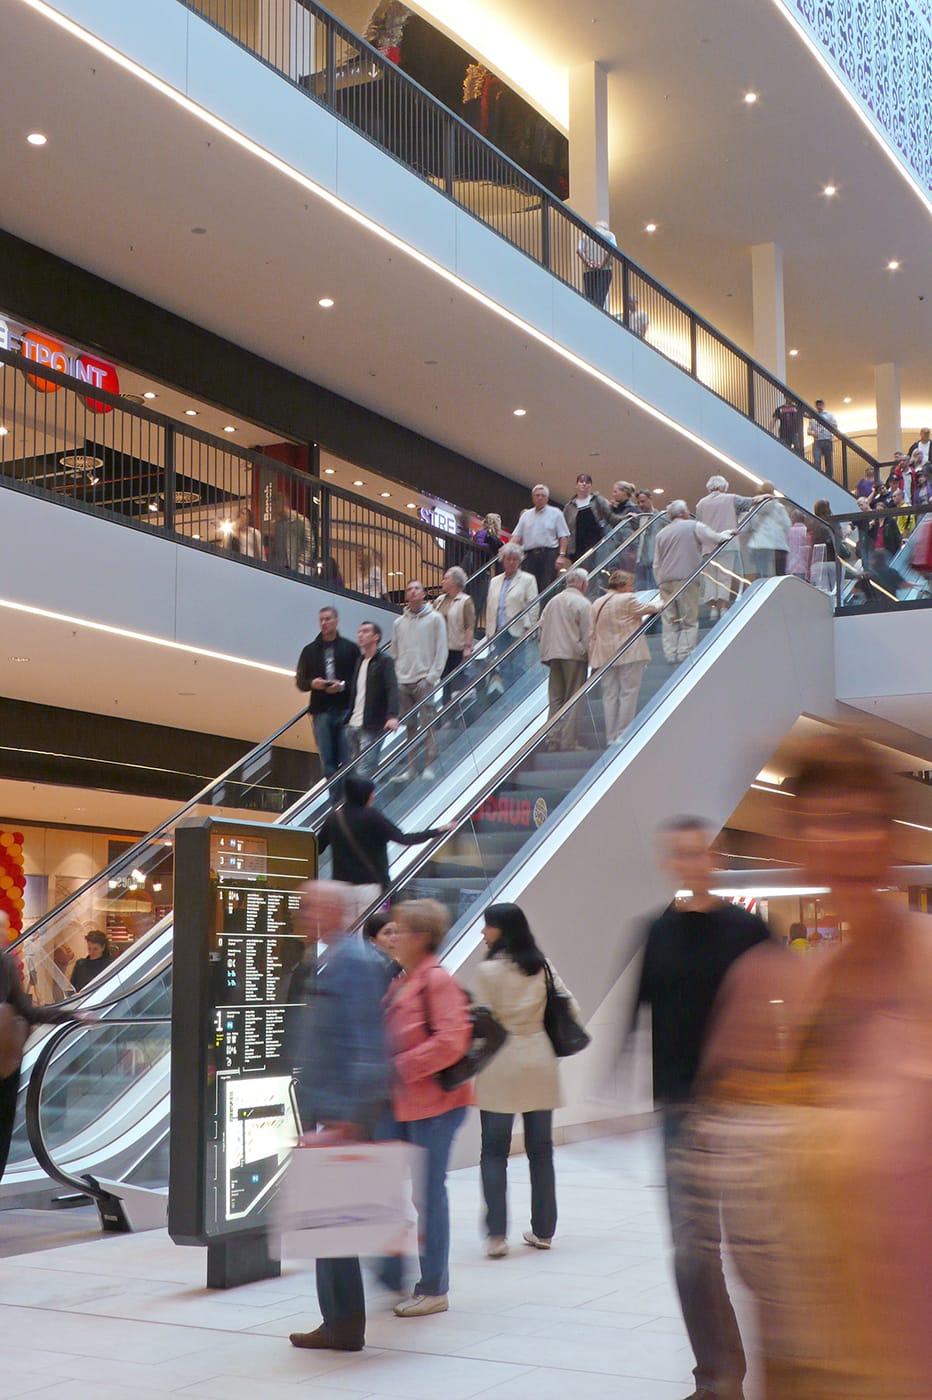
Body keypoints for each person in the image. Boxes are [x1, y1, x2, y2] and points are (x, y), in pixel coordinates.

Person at [713, 735, 932, 1396]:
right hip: (814, 1355)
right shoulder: (804, 986)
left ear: (893, 840)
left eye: (862, 820)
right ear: (797, 847)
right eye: (824, 825)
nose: (846, 843)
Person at [635, 816, 771, 1400]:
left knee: (755, 1249)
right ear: (672, 862)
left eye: (699, 853)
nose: (690, 863)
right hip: (679, 1111)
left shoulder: (747, 930)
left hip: (742, 1106)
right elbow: (641, 1012)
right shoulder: (656, 931)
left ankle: (767, 1364)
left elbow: (777, 1007)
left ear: (712, 860)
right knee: (692, 1252)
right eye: (679, 855)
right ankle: (717, 1376)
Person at [288, 881, 391, 1354]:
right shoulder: (331, 958)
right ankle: (339, 1318)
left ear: (332, 910)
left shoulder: (352, 963)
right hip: (327, 1107)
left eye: (308, 906)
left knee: (333, 1223)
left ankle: (344, 1323)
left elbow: (365, 1042)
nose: (301, 914)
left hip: (338, 1112)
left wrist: (348, 1117)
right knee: (328, 1221)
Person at [473, 903, 578, 1257]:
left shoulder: (487, 972)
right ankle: (544, 1231)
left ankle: (496, 1236)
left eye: (487, 927)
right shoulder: (541, 966)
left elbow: (479, 1024)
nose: (483, 933)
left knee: (493, 1151)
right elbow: (570, 1007)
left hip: (500, 1064)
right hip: (539, 1062)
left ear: (501, 929)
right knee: (541, 1151)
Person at [384, 899, 472, 1317]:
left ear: (421, 936)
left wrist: (401, 1066)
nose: (393, 936)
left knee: (428, 1196)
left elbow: (452, 1041)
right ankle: (399, 1274)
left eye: (400, 929)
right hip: (406, 1104)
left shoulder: (436, 980)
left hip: (434, 1105)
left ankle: (434, 1286)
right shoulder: (404, 980)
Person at [317, 777, 453, 925]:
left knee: (346, 932)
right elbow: (404, 839)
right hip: (369, 887)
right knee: (370, 931)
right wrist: (437, 831)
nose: (373, 796)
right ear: (364, 795)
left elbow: (317, 847)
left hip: (341, 889)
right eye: (371, 793)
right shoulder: (372, 817)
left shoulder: (335, 818)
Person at [0, 946, 82, 1184]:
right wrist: (70, 1015)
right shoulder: (4, 964)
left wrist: (69, 1016)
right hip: (5, 1065)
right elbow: (27, 1012)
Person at [652, 501, 731, 663]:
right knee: (689, 619)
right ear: (683, 513)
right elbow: (714, 538)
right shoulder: (692, 526)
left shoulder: (661, 534)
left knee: (669, 620)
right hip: (686, 578)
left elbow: (656, 562)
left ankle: (669, 654)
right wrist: (728, 533)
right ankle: (684, 654)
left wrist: (659, 580)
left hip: (665, 581)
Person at [589, 570, 659, 741]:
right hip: (629, 653)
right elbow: (650, 608)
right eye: (630, 585)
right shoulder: (627, 599)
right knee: (628, 692)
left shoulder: (597, 603)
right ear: (621, 586)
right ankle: (623, 733)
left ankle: (610, 735)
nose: (632, 589)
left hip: (605, 656)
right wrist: (661, 603)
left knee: (610, 695)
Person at [390, 579, 447, 781]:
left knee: (428, 723)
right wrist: (397, 677)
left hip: (425, 680)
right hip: (404, 681)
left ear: (424, 593)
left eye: (417, 588)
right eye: (409, 589)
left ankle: (430, 764)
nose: (413, 592)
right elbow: (395, 652)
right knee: (410, 727)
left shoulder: (436, 619)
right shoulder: (399, 623)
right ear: (406, 595)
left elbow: (442, 649)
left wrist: (432, 677)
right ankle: (412, 768)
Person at [296, 607, 359, 780]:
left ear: (336, 620)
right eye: (321, 620)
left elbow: (359, 681)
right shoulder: (309, 651)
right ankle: (336, 803)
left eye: (328, 619)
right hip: (320, 711)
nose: (324, 623)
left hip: (345, 711)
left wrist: (342, 686)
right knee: (327, 762)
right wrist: (313, 684)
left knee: (347, 759)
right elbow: (300, 682)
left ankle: (347, 802)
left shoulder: (350, 649)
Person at [537, 568, 591, 750]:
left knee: (556, 699)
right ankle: (568, 742)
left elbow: (541, 627)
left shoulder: (552, 602)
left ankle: (552, 739)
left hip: (553, 655)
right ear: (583, 585)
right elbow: (588, 633)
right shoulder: (582, 603)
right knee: (574, 699)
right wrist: (588, 654)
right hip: (574, 656)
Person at [345, 620, 399, 778]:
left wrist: (392, 716)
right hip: (353, 724)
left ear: (376, 637)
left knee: (365, 770)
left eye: (366, 631)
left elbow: (392, 687)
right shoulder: (360, 661)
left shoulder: (384, 661)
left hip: (372, 725)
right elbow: (357, 691)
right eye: (359, 632)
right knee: (353, 771)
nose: (361, 635)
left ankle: (360, 802)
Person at [695, 476, 754, 618]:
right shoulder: (731, 499)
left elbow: (698, 524)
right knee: (724, 576)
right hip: (727, 544)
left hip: (708, 546)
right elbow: (751, 503)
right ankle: (723, 608)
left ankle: (712, 609)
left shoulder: (700, 504)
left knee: (710, 579)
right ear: (724, 487)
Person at [485, 543, 539, 690]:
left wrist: (529, 626)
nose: (511, 562)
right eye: (508, 559)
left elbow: (533, 604)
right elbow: (490, 606)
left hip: (517, 630)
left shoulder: (528, 579)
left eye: (515, 559)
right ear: (503, 560)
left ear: (519, 561)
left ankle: (518, 696)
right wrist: (489, 631)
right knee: (503, 665)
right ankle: (507, 697)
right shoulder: (494, 581)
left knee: (519, 665)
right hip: (499, 630)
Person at [510, 485, 570, 593]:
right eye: (537, 495)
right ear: (533, 497)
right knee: (528, 585)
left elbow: (563, 536)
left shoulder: (556, 513)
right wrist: (507, 549)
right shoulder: (526, 515)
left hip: (549, 555)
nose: (540, 498)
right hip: (529, 556)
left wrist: (561, 556)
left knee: (546, 585)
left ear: (547, 498)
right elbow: (517, 536)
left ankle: (544, 608)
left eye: (543, 495)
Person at [434, 566, 475, 701]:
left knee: (454, 685)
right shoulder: (439, 600)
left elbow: (469, 626)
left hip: (456, 649)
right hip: (441, 649)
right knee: (444, 683)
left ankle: (454, 714)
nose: (442, 581)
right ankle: (446, 715)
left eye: (446, 578)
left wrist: (467, 647)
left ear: (455, 581)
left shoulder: (465, 601)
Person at [743, 481, 791, 579]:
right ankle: (781, 593)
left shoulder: (754, 508)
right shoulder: (779, 507)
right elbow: (787, 525)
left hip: (759, 545)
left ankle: (763, 590)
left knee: (762, 574)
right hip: (778, 545)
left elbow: (747, 526)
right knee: (780, 575)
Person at [562, 473, 612, 562]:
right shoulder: (569, 507)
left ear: (590, 486)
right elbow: (564, 530)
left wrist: (623, 517)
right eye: (581, 482)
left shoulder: (598, 500)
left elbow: (611, 516)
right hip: (576, 547)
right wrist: (563, 552)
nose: (584, 484)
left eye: (587, 482)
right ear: (576, 485)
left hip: (596, 545)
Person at [576, 218, 616, 308]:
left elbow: (579, 250)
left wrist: (588, 263)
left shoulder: (586, 234)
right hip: (604, 270)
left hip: (588, 271)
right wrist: (601, 264)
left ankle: (590, 317)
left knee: (589, 299)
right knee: (599, 299)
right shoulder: (610, 235)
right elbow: (611, 249)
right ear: (606, 227)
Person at [269, 493, 313, 574]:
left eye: (275, 506)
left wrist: (302, 560)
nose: (273, 510)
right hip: (278, 566)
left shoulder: (300, 521)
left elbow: (310, 542)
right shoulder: (276, 524)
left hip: (294, 565)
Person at [633, 489, 665, 589]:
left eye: (643, 501)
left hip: (654, 559)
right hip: (640, 560)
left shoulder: (660, 517)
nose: (640, 505)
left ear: (650, 499)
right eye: (638, 502)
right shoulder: (640, 518)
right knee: (640, 588)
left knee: (654, 588)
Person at [807, 399, 838, 475]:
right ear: (816, 406)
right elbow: (809, 430)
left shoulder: (829, 415)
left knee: (829, 461)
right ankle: (818, 475)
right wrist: (813, 434)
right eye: (818, 404)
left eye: (820, 404)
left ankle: (829, 477)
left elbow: (835, 425)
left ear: (823, 405)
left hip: (827, 439)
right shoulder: (813, 416)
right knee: (817, 461)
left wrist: (830, 432)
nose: (819, 406)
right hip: (817, 440)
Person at [785, 510, 809, 578]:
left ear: (793, 518)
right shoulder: (806, 531)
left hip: (790, 567)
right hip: (803, 567)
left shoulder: (788, 532)